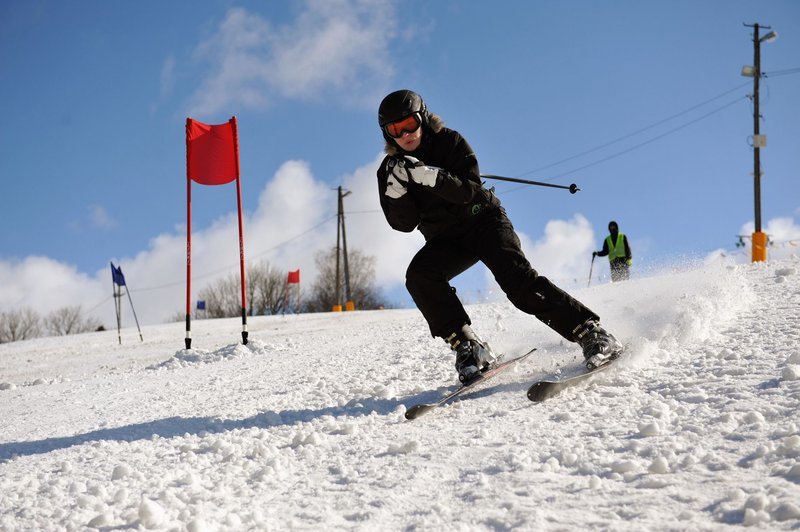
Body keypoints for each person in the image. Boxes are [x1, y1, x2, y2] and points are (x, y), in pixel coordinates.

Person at [375, 89, 622, 383]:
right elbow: (403, 224)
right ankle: (469, 345)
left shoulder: (449, 142)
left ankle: (590, 332)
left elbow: (470, 191)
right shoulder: (390, 171)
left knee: (517, 282)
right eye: (395, 130)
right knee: (420, 276)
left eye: (410, 124)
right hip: (447, 239)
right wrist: (397, 192)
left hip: (484, 221)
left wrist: (432, 177)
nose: (405, 135)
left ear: (423, 118)